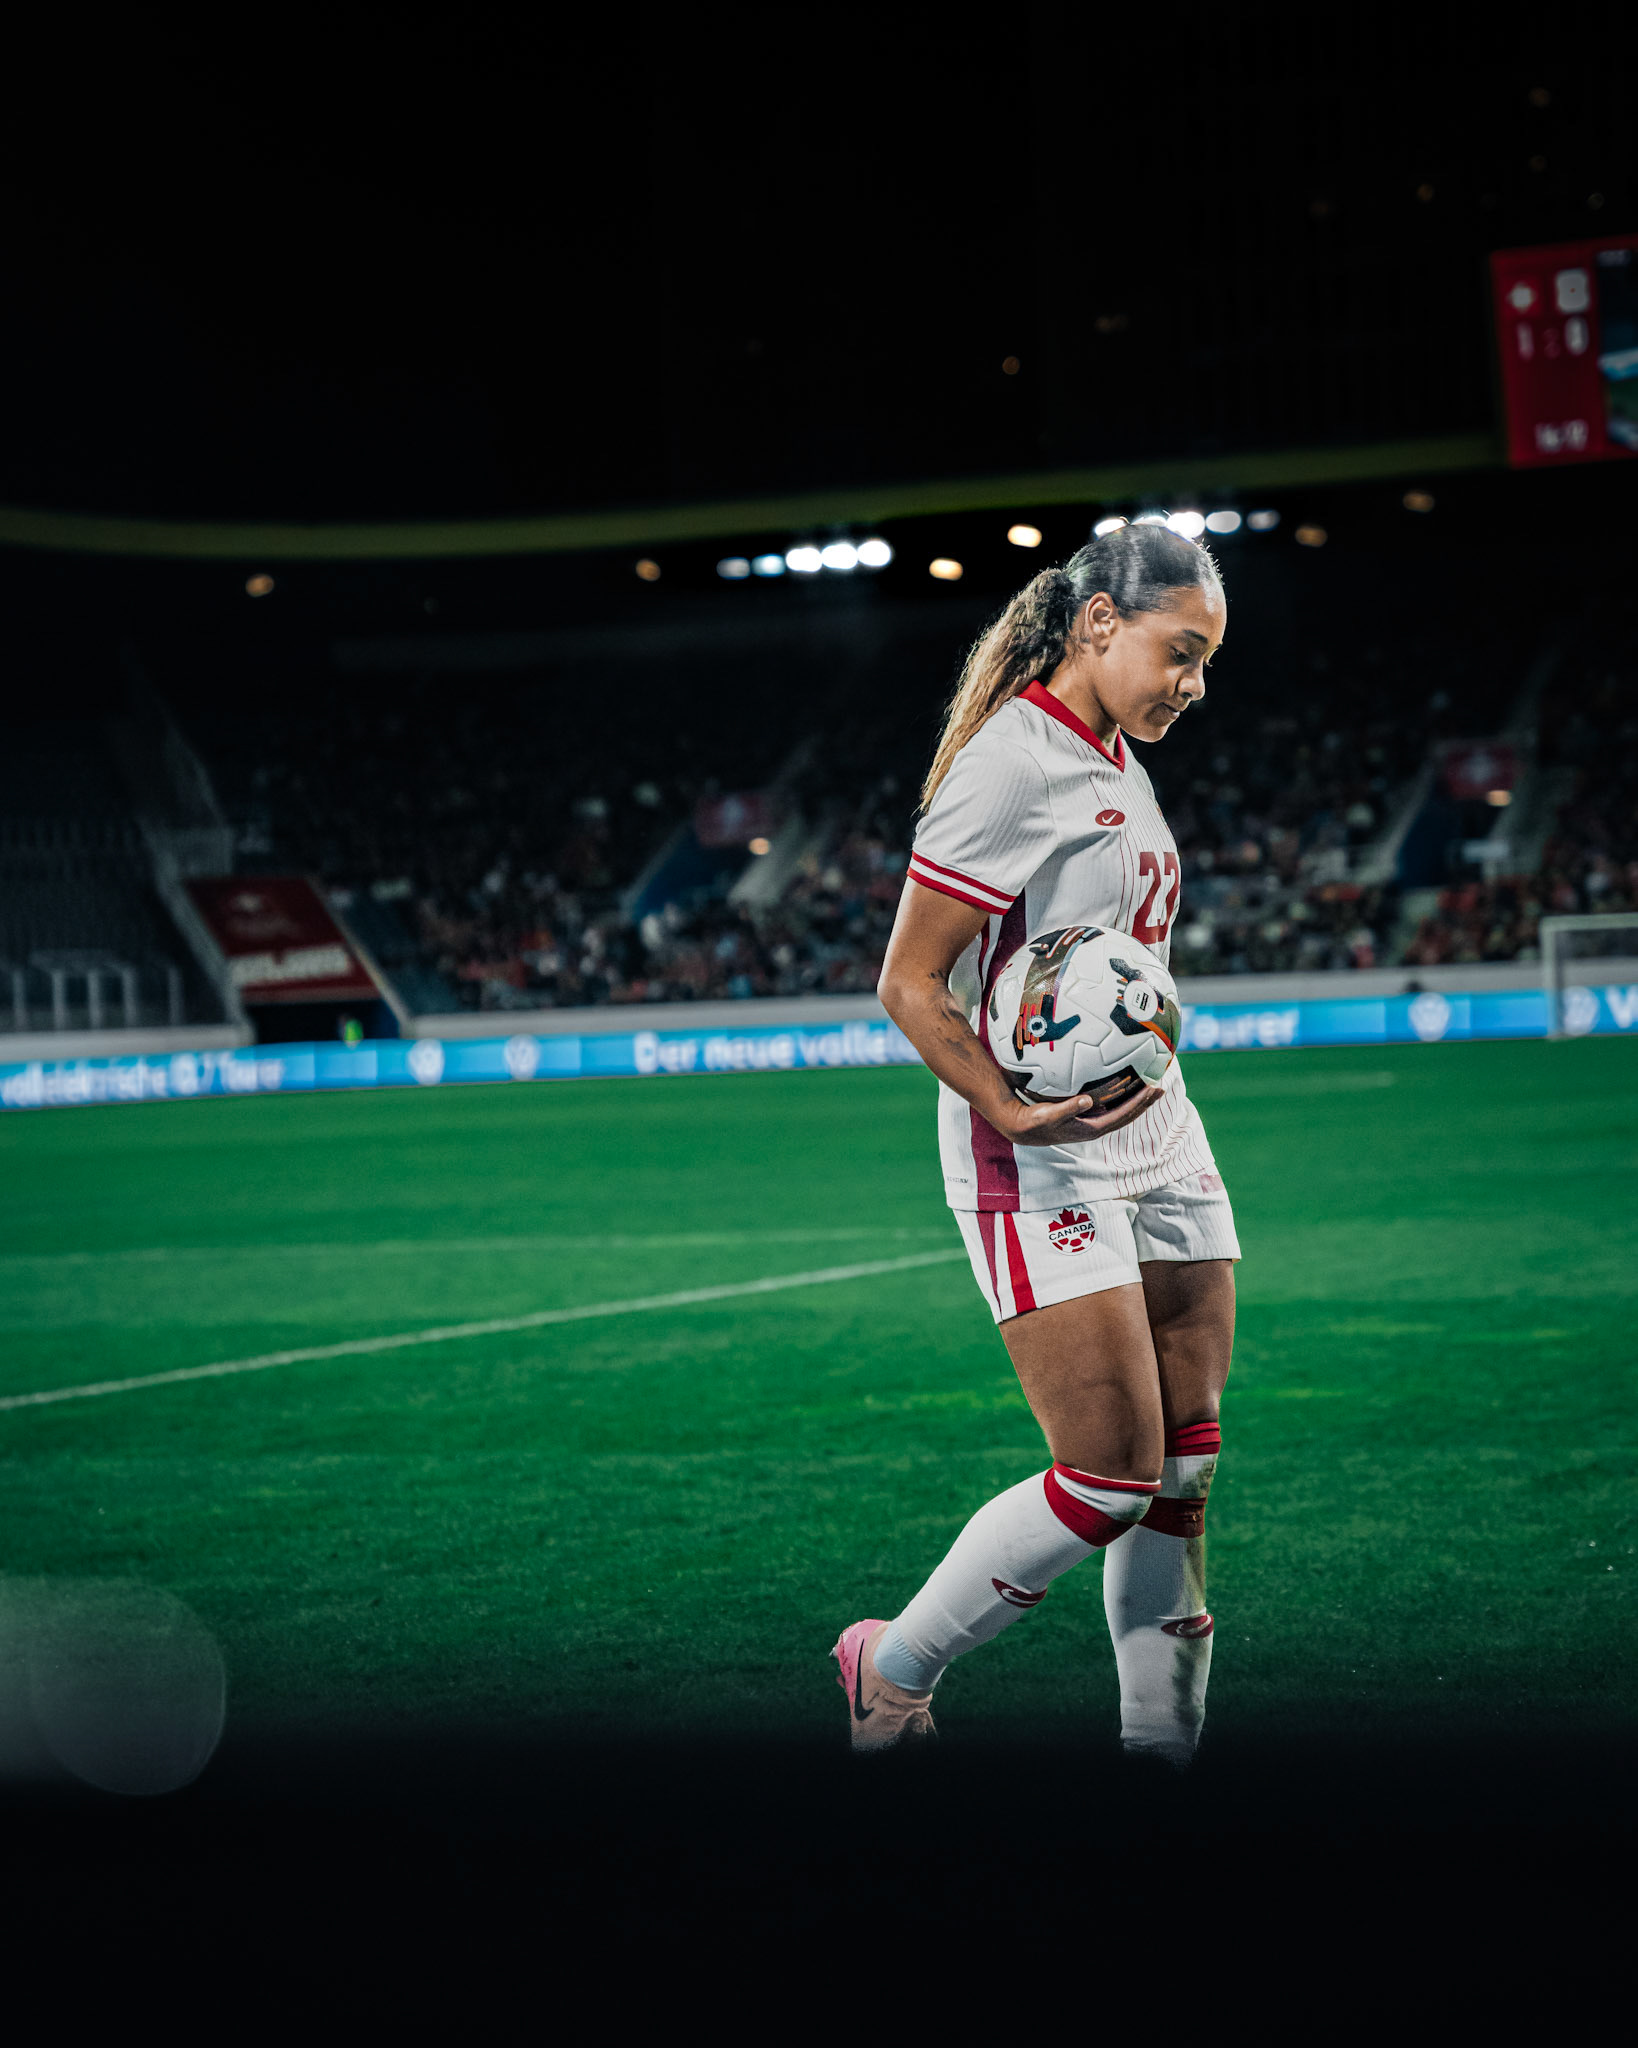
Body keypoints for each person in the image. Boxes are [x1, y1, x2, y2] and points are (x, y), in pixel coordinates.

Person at [834, 521, 1236, 1764]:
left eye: (1208, 662)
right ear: (1101, 625)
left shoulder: (1116, 748)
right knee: (1108, 1474)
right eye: (1179, 651)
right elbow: (910, 980)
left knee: (1184, 1463)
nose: (1193, 685)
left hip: (1164, 1137)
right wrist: (1008, 1107)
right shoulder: (1012, 763)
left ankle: (1160, 1748)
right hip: (1040, 1148)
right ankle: (889, 1670)